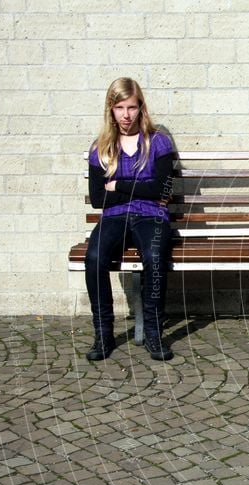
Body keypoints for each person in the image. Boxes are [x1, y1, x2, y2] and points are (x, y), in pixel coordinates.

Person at [84, 77, 174, 361]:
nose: (126, 115)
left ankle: (153, 333)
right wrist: (141, 189)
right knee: (95, 257)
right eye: (120, 107)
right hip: (114, 217)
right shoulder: (100, 147)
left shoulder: (158, 142)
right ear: (110, 110)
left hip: (152, 217)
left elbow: (163, 189)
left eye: (132, 107)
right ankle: (103, 333)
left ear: (141, 108)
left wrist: (119, 184)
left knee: (155, 256)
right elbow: (99, 199)